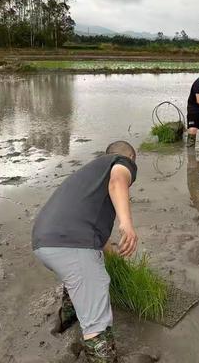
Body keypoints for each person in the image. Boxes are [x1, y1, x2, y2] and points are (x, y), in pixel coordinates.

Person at [32, 141, 138, 362]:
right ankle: (101, 355)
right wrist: (126, 223)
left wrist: (113, 254)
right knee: (97, 318)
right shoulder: (121, 162)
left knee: (80, 275)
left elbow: (93, 230)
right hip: (70, 243)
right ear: (130, 158)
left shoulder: (89, 176)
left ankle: (67, 320)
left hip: (43, 241)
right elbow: (118, 181)